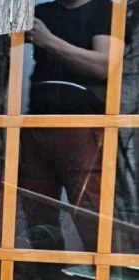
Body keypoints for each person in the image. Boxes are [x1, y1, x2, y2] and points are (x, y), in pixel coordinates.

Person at [18, 0, 114, 254]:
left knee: (90, 214)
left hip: (80, 124)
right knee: (36, 216)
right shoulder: (41, 12)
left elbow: (104, 65)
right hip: (34, 122)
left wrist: (48, 40)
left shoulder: (104, 9)